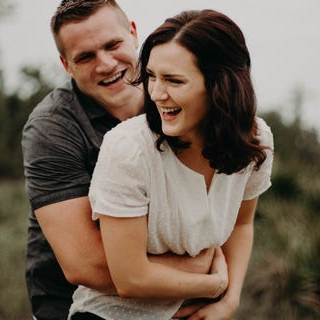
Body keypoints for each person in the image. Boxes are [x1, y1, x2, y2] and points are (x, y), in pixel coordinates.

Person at [68, 9, 275, 320]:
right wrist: (213, 284)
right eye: (151, 76)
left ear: (221, 85)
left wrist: (229, 301)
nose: (156, 93)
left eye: (174, 81)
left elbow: (242, 225)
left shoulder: (256, 140)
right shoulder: (128, 148)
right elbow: (130, 278)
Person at [22, 1, 217, 319]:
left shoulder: (178, 99)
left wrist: (226, 295)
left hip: (179, 305)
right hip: (76, 307)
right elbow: (84, 264)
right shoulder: (52, 128)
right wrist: (201, 273)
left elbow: (226, 206)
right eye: (85, 57)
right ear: (66, 65)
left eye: (112, 45)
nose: (105, 64)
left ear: (134, 34)